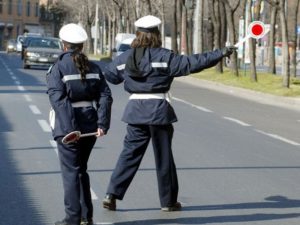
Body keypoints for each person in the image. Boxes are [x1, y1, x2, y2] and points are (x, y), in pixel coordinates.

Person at [101, 15, 236, 212]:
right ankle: (168, 202)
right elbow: (192, 63)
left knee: (129, 155)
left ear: (137, 34)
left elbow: (111, 76)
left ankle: (111, 194)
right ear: (156, 34)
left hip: (135, 112)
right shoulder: (164, 57)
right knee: (163, 158)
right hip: (158, 111)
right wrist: (220, 53)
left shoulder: (126, 57)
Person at [46, 23, 113, 225]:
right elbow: (105, 96)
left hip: (69, 127)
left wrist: (70, 129)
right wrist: (102, 124)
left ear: (63, 45)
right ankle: (86, 216)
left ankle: (72, 219)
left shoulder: (58, 67)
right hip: (90, 124)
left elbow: (59, 100)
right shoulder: (93, 67)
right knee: (81, 168)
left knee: (71, 172)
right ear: (82, 45)